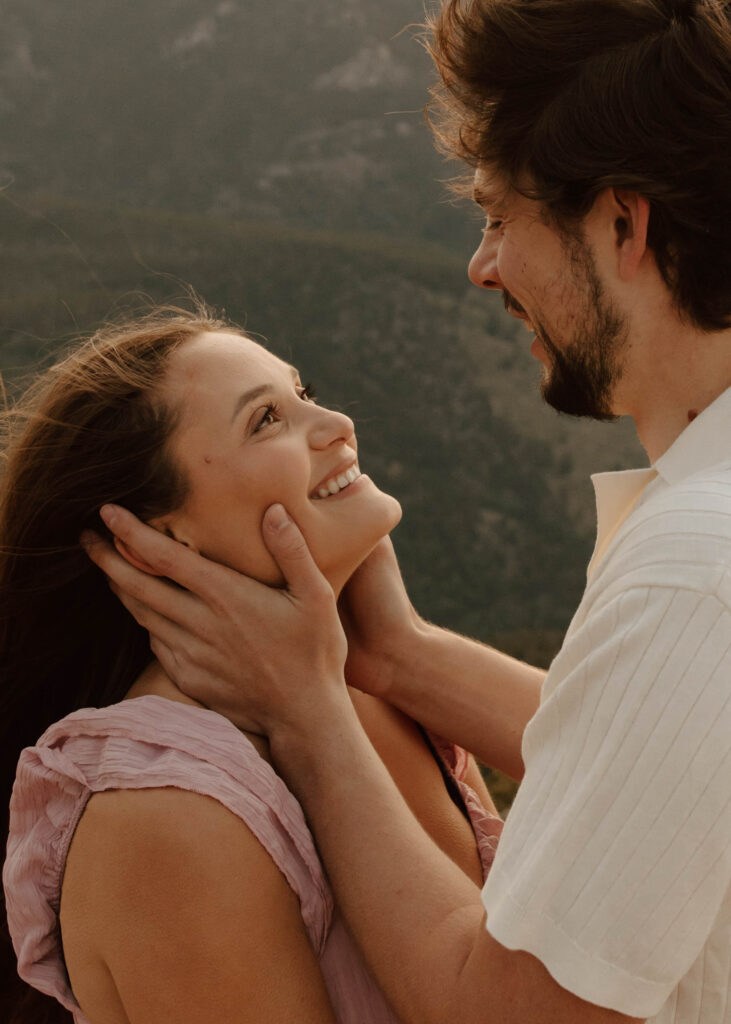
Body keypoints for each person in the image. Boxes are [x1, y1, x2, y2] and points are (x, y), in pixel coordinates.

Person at [79, 0, 731, 1022]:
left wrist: (309, 714)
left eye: (494, 215)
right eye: (267, 415)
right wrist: (395, 654)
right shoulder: (164, 801)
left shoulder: (691, 570)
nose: (480, 266)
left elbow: (508, 1011)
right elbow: (650, 771)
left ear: (620, 224)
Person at [0, 306, 504, 1024]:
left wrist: (402, 651)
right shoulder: (167, 817)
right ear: (152, 541)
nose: (335, 423)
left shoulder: (367, 699)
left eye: (303, 392)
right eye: (266, 420)